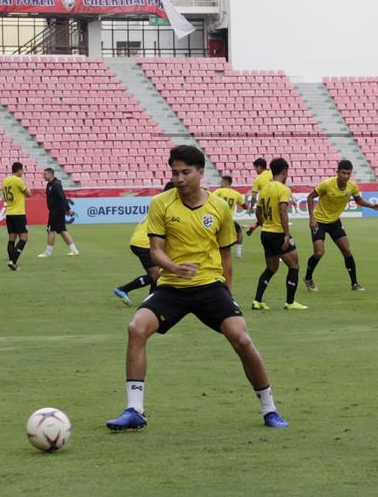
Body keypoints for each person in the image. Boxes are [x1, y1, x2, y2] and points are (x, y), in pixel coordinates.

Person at [105, 145, 288, 432]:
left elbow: (226, 255)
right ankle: (134, 410)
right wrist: (174, 268)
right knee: (136, 328)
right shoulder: (160, 203)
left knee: (241, 340)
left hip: (210, 286)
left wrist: (228, 291)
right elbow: (155, 250)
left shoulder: (219, 207)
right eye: (174, 172)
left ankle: (270, 409)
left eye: (185, 172)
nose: (179, 178)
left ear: (201, 173)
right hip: (172, 287)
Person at [304, 160, 378, 292]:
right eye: (343, 173)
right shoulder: (327, 185)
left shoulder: (352, 186)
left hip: (335, 222)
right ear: (337, 172)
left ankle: (354, 283)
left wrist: (372, 206)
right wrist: (312, 218)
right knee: (319, 252)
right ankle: (308, 278)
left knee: (346, 250)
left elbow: (358, 200)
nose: (346, 176)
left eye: (348, 174)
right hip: (319, 221)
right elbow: (310, 197)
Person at [254, 158, 307, 310]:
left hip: (265, 233)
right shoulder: (283, 189)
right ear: (285, 171)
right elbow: (283, 212)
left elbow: (258, 211)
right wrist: (287, 234)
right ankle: (290, 302)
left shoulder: (265, 189)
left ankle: (257, 301)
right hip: (278, 233)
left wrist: (263, 224)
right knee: (294, 265)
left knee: (271, 268)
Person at [113, 182, 175, 306]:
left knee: (156, 274)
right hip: (145, 243)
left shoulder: (159, 203)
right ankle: (123, 289)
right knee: (155, 275)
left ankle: (150, 300)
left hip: (139, 241)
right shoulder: (168, 205)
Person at [40, 168, 79, 258]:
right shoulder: (50, 184)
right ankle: (74, 250)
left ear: (51, 174)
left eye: (45, 174)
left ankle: (48, 252)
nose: (43, 176)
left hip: (57, 211)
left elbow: (62, 197)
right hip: (55, 210)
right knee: (62, 230)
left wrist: (68, 210)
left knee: (50, 230)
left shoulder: (56, 184)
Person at [2, 163, 31, 270]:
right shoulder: (18, 180)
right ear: (19, 170)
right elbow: (29, 194)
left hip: (9, 212)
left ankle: (11, 261)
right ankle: (13, 261)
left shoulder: (5, 180)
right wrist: (25, 182)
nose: (23, 172)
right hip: (18, 213)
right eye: (22, 170)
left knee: (11, 239)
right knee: (24, 238)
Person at [211, 176, 248, 259]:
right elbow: (245, 206)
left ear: (224, 182)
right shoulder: (236, 193)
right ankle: (238, 252)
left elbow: (209, 200)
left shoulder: (218, 191)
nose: (220, 183)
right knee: (239, 231)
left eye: (221, 182)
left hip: (217, 219)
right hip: (228, 221)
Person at [245, 158, 271, 234]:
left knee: (259, 215)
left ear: (259, 167)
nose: (255, 170)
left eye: (255, 168)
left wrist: (251, 207)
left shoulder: (257, 179)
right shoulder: (272, 173)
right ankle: (255, 226)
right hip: (276, 200)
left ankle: (264, 230)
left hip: (265, 202)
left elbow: (253, 197)